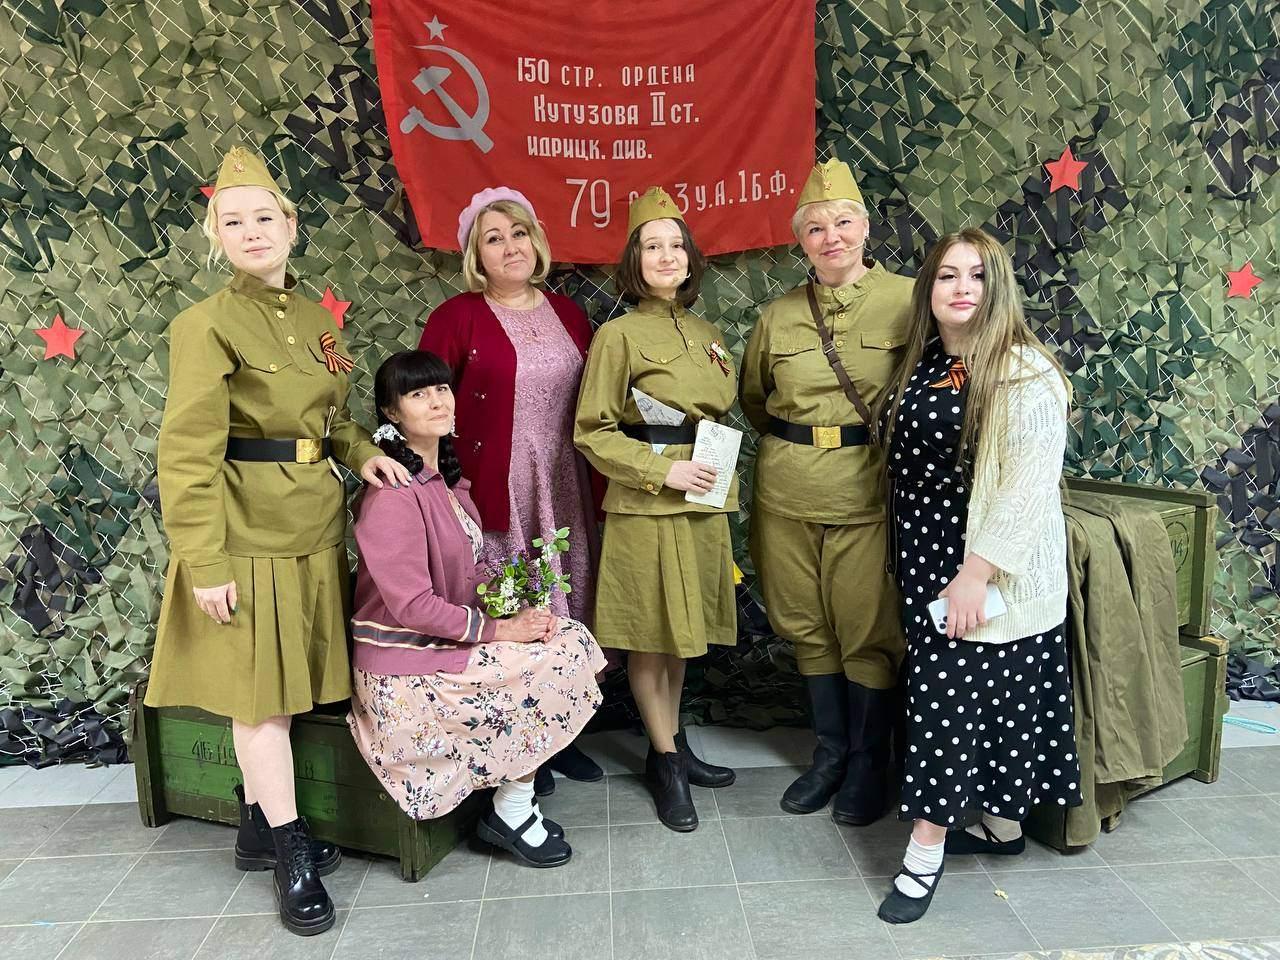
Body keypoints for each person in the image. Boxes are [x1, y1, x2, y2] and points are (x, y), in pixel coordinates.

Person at [146, 145, 411, 936]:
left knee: (291, 692)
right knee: (259, 699)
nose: (252, 232)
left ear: (292, 227)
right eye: (233, 222)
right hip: (246, 537)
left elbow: (332, 422)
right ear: (216, 237)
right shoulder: (203, 326)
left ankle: (258, 826)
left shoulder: (316, 321)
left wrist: (362, 455)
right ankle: (291, 854)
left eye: (264, 217)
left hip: (313, 529)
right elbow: (185, 453)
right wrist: (204, 560)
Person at [875, 228, 1082, 923]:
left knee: (947, 708)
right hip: (925, 558)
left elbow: (1025, 488)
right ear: (928, 290)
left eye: (978, 275)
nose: (963, 287)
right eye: (947, 275)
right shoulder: (930, 360)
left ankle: (922, 857)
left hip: (983, 570)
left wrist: (975, 572)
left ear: (999, 289)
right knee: (985, 702)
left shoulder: (1024, 372)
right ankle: (1002, 827)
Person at [346, 350, 606, 868]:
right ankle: (512, 810)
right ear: (392, 413)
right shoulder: (393, 495)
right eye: (418, 394)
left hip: (437, 647)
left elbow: (469, 571)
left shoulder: (444, 482)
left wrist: (521, 606)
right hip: (404, 668)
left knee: (565, 637)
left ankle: (514, 799)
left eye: (442, 389)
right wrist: (502, 629)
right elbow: (413, 606)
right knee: (547, 664)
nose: (437, 401)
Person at [739, 159, 912, 825]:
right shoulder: (777, 316)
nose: (830, 237)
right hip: (786, 492)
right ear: (801, 242)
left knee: (867, 628)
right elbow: (758, 401)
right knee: (806, 625)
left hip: (866, 492)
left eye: (842, 223)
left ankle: (869, 762)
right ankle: (830, 754)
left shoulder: (908, 300)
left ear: (865, 228)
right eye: (815, 228)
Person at [419, 187, 603, 794]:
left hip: (564, 480)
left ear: (536, 241)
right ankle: (522, 748)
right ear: (477, 256)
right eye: (493, 239)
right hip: (498, 484)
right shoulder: (456, 317)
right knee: (514, 607)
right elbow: (425, 404)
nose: (509, 247)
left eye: (518, 233)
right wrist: (443, 484)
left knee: (569, 599)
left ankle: (564, 730)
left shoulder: (569, 313)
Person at [574, 187, 738, 832]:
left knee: (682, 631)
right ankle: (666, 761)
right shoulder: (617, 335)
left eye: (675, 245)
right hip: (648, 502)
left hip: (704, 496)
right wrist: (661, 470)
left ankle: (673, 743)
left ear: (690, 257)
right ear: (634, 260)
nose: (666, 256)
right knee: (651, 631)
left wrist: (701, 473)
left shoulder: (708, 335)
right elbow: (592, 430)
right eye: (651, 246)